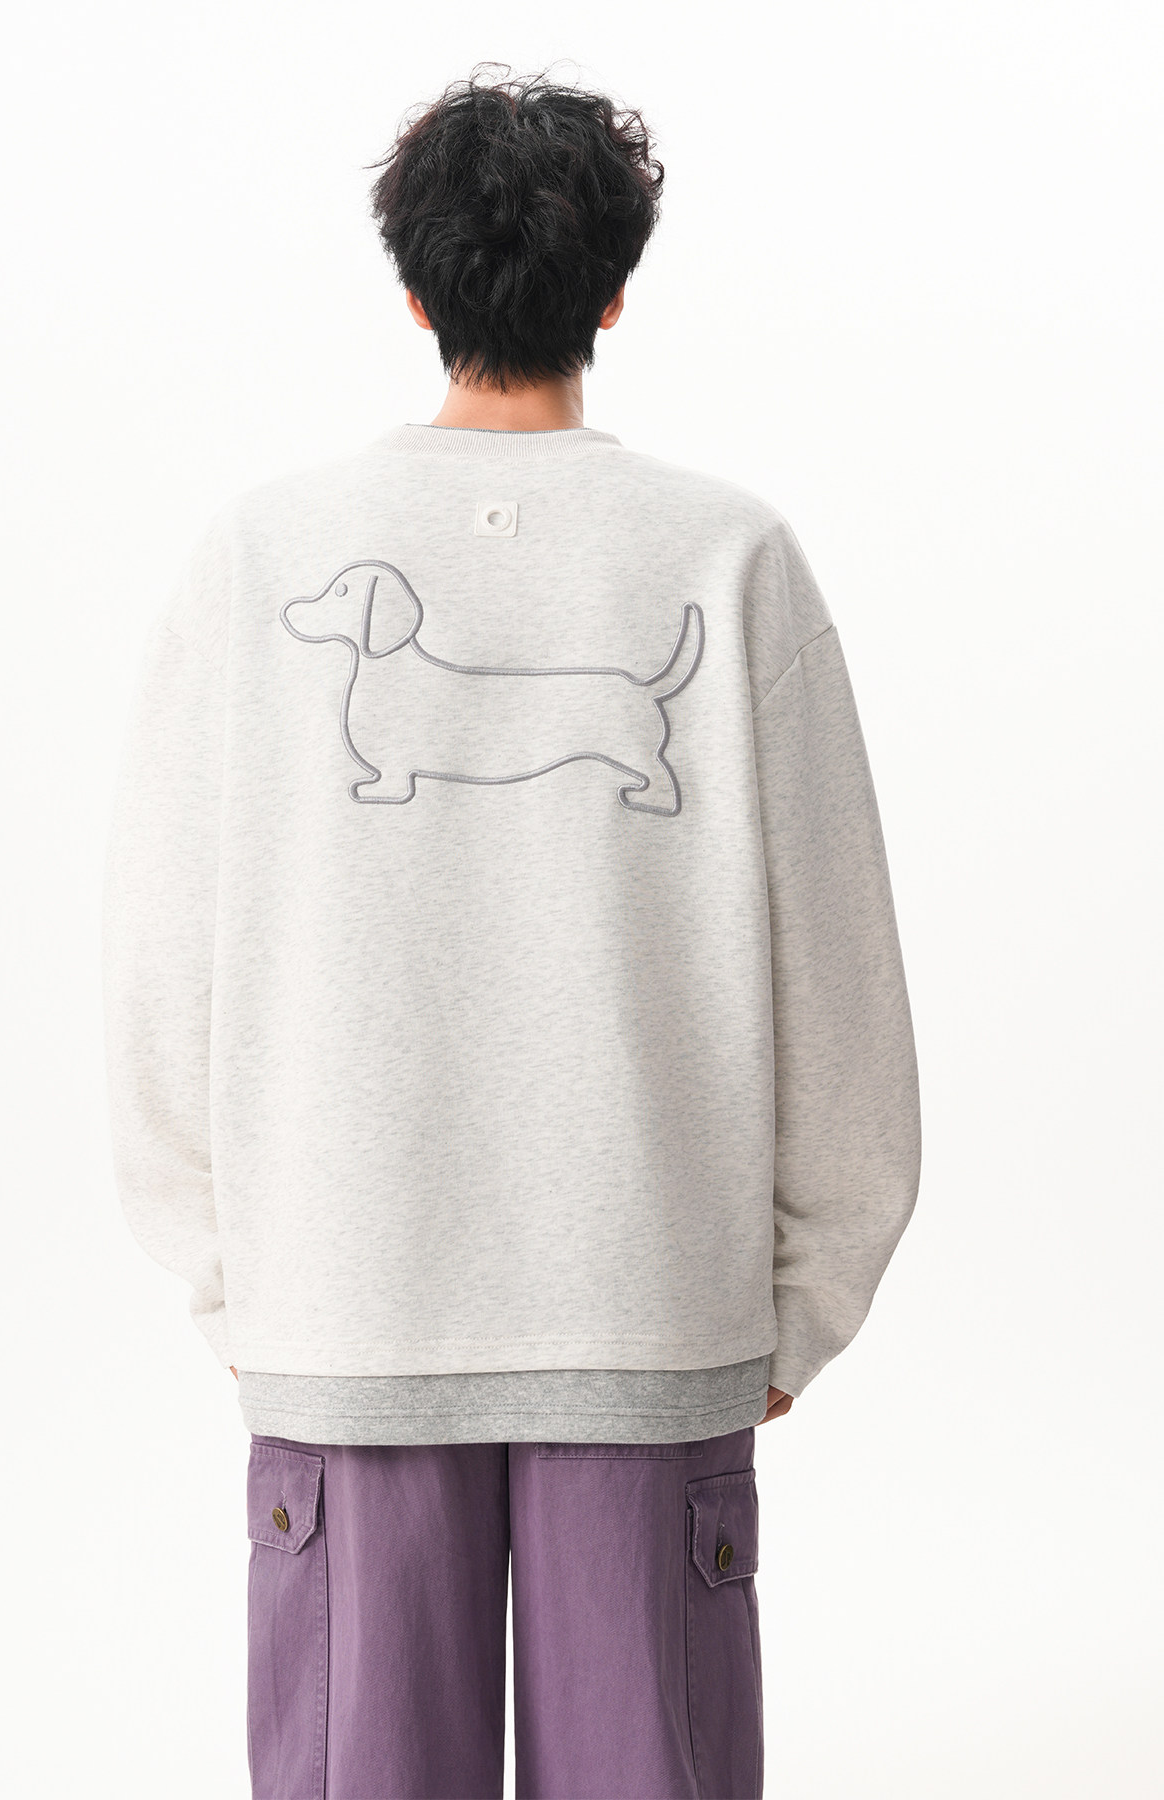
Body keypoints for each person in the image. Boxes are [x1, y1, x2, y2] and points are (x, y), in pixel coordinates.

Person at [101, 66, 921, 1800]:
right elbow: (840, 974)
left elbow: (159, 962)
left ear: (412, 290)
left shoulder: (255, 555)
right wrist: (802, 1302)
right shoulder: (729, 553)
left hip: (343, 1315)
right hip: (651, 1312)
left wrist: (238, 1284)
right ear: (613, 293)